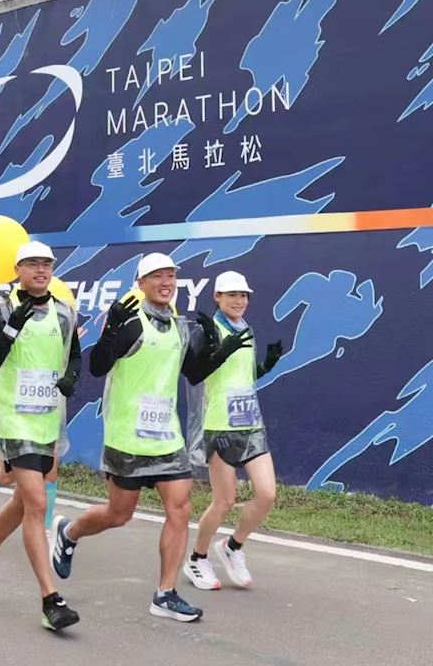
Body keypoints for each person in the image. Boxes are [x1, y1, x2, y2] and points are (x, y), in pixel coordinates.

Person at [49, 253, 253, 623]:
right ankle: (69, 531)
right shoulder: (130, 322)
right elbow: (98, 367)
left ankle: (165, 593)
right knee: (118, 514)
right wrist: (110, 333)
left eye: (171, 276)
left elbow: (194, 373)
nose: (166, 282)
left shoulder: (179, 326)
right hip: (127, 437)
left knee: (180, 507)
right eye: (156, 276)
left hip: (167, 439)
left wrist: (219, 352)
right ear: (140, 284)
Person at [0, 242, 81, 631]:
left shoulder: (63, 311)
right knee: (34, 501)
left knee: (20, 500)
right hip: (13, 419)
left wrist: (71, 378)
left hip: (47, 421)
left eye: (46, 264)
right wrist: (12, 326)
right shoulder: (0, 307)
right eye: (32, 264)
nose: (41, 270)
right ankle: (51, 599)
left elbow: (74, 355)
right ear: (17, 269)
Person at [183, 270, 284, 592]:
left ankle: (232, 547)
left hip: (251, 424)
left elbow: (242, 375)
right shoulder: (207, 328)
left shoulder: (246, 328)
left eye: (243, 296)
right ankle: (197, 559)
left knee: (267, 494)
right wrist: (220, 351)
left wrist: (265, 366)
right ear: (217, 297)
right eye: (232, 295)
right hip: (220, 426)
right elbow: (197, 373)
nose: (239, 301)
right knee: (224, 501)